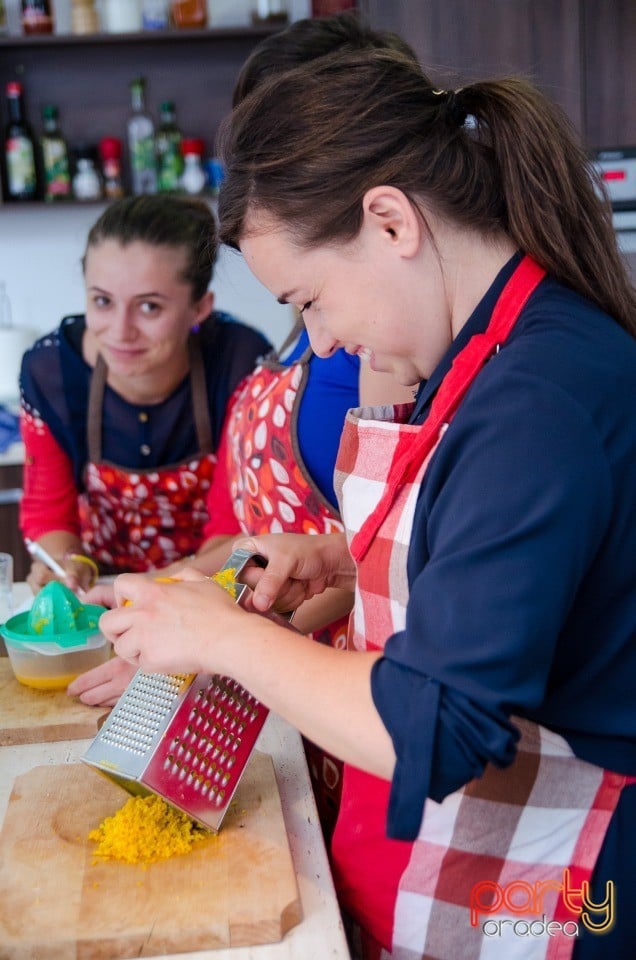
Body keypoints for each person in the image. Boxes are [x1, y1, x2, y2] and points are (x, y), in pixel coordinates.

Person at [100, 44, 636, 959]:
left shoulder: (534, 396)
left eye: (307, 300)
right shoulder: (490, 354)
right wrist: (353, 558)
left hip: (576, 878)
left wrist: (225, 636)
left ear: (390, 222)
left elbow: (441, 724)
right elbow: (532, 560)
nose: (324, 339)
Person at [70, 13, 419, 846]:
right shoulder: (313, 325)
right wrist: (177, 604)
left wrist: (226, 641)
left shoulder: (387, 344)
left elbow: (392, 572)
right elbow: (257, 539)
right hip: (290, 702)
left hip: (358, 708)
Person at [19, 194, 271, 596]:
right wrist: (67, 564)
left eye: (149, 307)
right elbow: (48, 512)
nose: (120, 331)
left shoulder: (241, 362)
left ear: (200, 308)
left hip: (208, 589)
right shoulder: (51, 373)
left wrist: (165, 592)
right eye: (102, 301)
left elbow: (234, 524)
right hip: (98, 587)